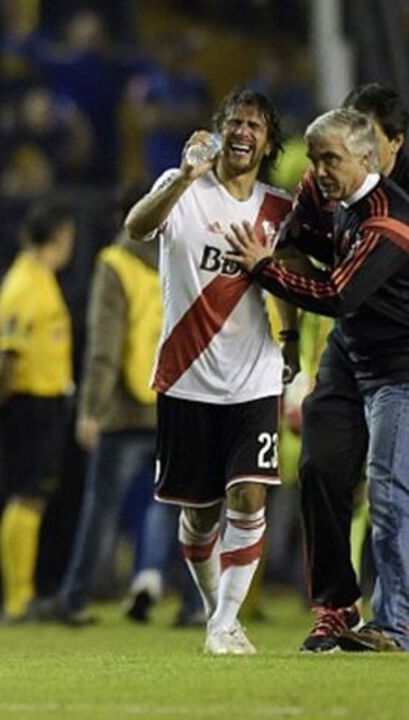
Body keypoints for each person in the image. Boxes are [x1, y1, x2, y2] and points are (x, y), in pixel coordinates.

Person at [226, 107, 409, 653]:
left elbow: (336, 295)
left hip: (399, 368)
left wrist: (263, 267)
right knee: (319, 470)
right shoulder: (324, 192)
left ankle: (396, 623)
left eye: (330, 159)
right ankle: (334, 608)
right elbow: (295, 241)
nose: (318, 170)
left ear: (367, 158)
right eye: (314, 157)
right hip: (348, 357)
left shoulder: (389, 223)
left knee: (388, 493)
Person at [123, 88, 291, 655]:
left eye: (255, 126)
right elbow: (137, 228)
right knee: (199, 517)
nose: (244, 132)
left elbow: (287, 277)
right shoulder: (185, 190)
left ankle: (223, 624)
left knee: (248, 496)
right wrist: (181, 178)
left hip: (254, 378)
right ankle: (215, 609)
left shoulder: (277, 210)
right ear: (219, 132)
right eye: (235, 122)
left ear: (268, 143)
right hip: (187, 377)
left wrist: (289, 336)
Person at [51, 182, 162, 626]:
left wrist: (91, 409)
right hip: (170, 399)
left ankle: (75, 597)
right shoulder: (179, 258)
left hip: (121, 407)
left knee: (101, 504)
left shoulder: (116, 263)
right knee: (168, 502)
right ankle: (156, 580)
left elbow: (104, 347)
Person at [0, 201, 75, 623]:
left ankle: (21, 596)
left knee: (34, 498)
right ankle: (17, 599)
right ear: (59, 237)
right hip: (28, 403)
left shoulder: (38, 278)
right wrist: (0, 404)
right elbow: (7, 353)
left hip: (43, 402)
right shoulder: (25, 284)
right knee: (26, 495)